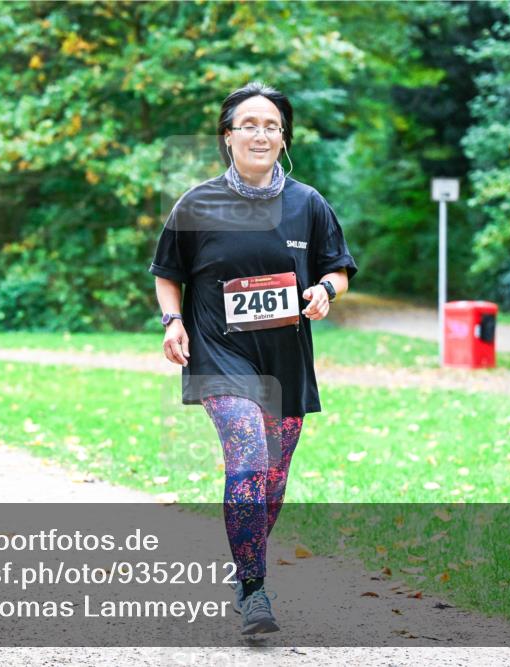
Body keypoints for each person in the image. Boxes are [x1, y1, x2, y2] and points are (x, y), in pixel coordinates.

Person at [149, 82, 357, 635]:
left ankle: (245, 563)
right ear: (228, 137)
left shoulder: (308, 204)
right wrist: (173, 322)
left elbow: (337, 268)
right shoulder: (197, 203)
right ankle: (254, 590)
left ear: (283, 137)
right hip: (221, 356)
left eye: (271, 125)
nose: (260, 133)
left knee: (271, 482)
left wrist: (325, 293)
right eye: (249, 124)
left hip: (285, 362)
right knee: (247, 461)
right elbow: (167, 274)